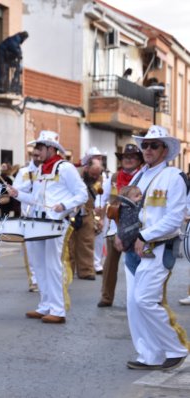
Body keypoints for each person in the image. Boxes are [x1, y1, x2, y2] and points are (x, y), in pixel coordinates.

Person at [118, 125, 189, 371]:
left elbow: (174, 218)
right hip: (133, 248)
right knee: (133, 304)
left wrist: (144, 235)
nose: (147, 149)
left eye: (154, 145)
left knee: (145, 300)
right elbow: (127, 208)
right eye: (145, 145)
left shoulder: (174, 177)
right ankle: (148, 355)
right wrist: (118, 234)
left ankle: (176, 348)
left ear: (165, 149)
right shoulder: (139, 175)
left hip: (158, 247)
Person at [6, 130, 87, 324]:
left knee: (52, 265)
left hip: (55, 223)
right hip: (37, 222)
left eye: (40, 148)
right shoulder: (40, 171)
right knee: (39, 265)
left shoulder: (65, 168)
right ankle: (45, 306)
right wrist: (16, 194)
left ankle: (58, 310)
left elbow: (82, 194)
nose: (36, 152)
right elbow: (35, 199)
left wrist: (64, 206)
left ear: (51, 149)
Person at [98, 143, 143, 308]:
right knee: (110, 263)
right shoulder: (114, 177)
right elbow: (104, 199)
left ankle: (140, 298)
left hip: (135, 227)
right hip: (115, 226)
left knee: (138, 263)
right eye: (126, 157)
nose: (128, 160)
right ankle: (106, 297)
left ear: (139, 160)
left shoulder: (143, 176)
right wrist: (101, 216)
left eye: (132, 157)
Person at [68, 157, 103, 280]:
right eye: (93, 174)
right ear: (86, 168)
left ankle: (86, 270)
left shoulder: (99, 179)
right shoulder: (73, 174)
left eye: (97, 174)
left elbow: (101, 195)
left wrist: (99, 215)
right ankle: (69, 271)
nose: (95, 177)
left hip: (88, 213)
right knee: (69, 244)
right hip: (71, 213)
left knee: (87, 242)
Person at [12, 147, 41, 292]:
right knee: (31, 251)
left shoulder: (48, 171)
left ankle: (45, 279)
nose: (37, 157)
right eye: (35, 155)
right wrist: (29, 184)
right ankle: (34, 280)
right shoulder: (24, 172)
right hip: (28, 216)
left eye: (39, 155)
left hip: (45, 216)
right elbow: (15, 191)